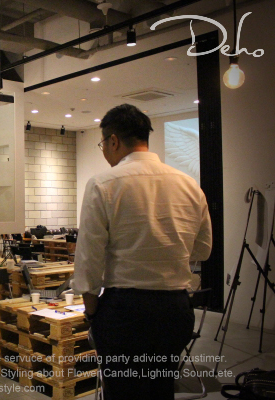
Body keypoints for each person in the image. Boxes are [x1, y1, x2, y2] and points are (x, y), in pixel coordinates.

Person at [72, 104, 213, 400]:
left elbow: (88, 259)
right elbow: (203, 249)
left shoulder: (103, 184)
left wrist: (92, 312)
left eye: (102, 144)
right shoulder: (189, 184)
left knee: (124, 391)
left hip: (125, 311)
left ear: (113, 141)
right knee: (161, 389)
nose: (103, 151)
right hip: (176, 310)